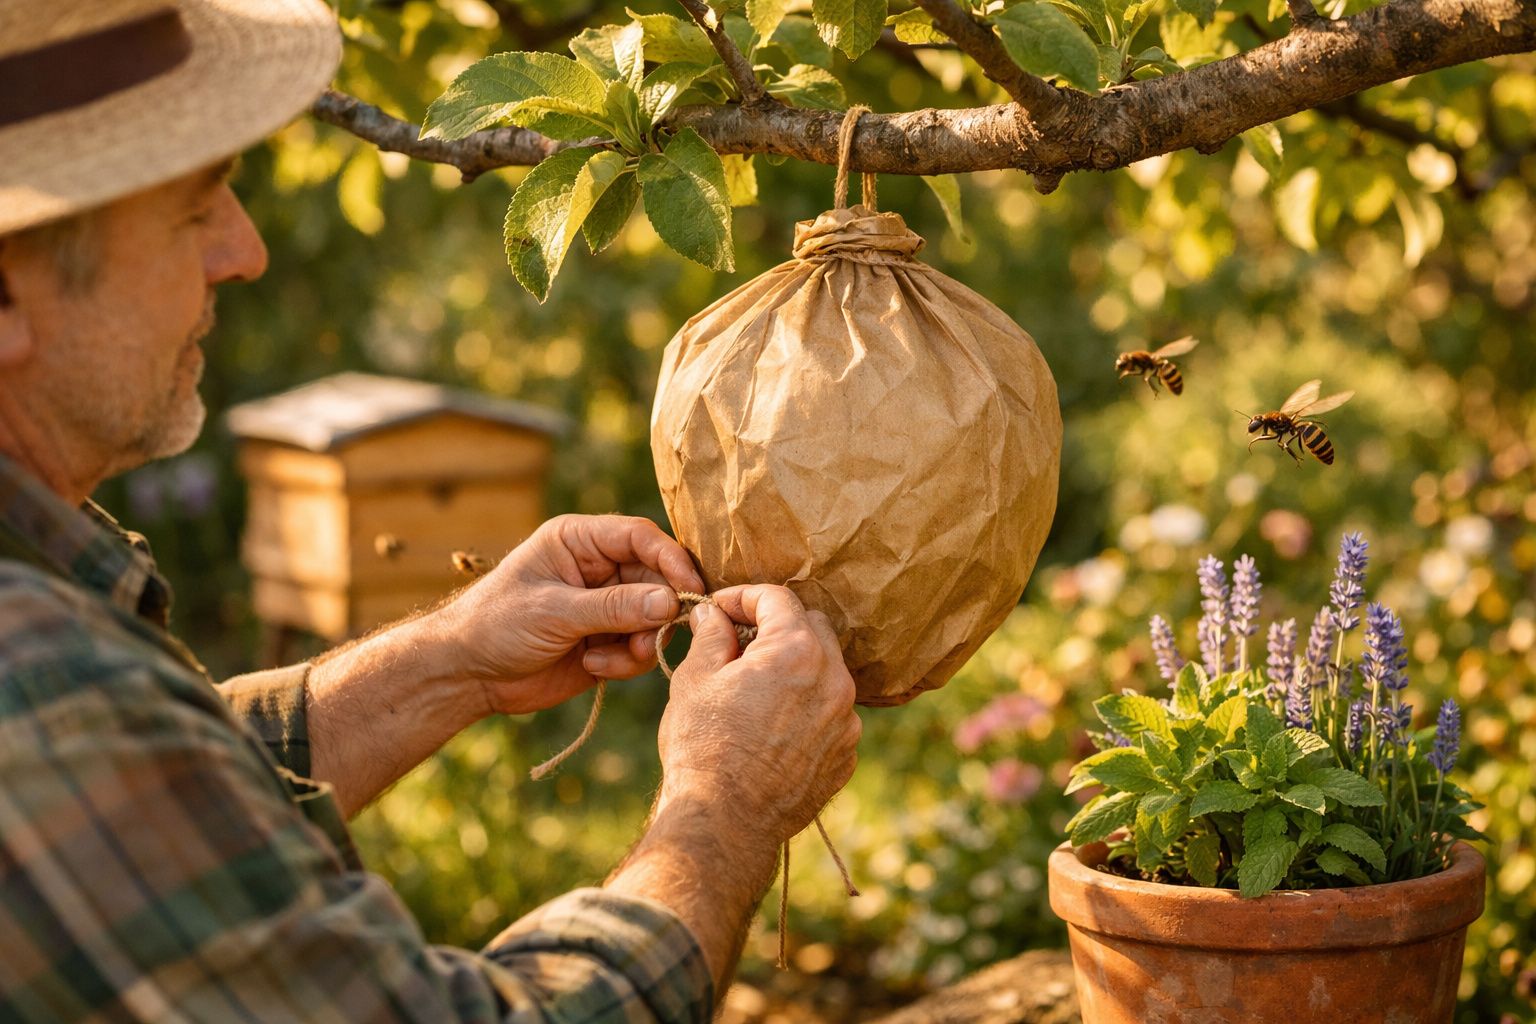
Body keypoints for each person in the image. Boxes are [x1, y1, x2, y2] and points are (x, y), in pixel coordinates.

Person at [0, 2, 861, 1020]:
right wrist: (725, 799)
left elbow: (150, 797)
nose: (245, 251)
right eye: (197, 208)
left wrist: (454, 655)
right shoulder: (29, 673)